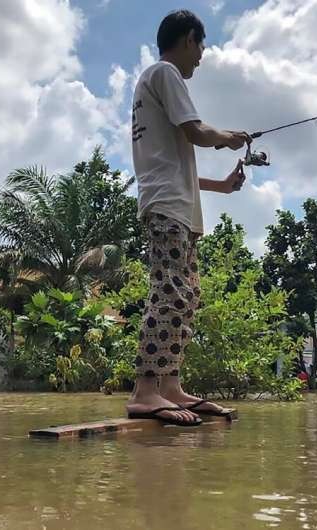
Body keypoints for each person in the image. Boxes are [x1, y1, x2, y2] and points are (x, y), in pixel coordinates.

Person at [126, 9, 250, 427]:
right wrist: (230, 138)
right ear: (186, 40)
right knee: (170, 294)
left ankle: (171, 385)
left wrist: (222, 186)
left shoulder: (155, 82)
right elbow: (197, 132)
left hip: (176, 206)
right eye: (200, 45)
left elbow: (179, 163)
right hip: (167, 209)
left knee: (186, 295)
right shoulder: (165, 73)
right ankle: (146, 391)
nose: (201, 56)